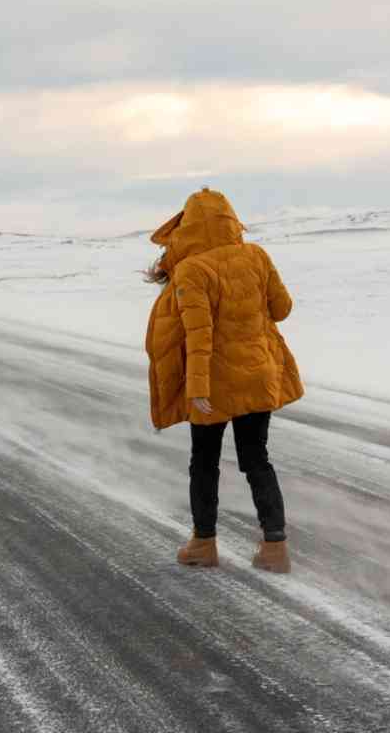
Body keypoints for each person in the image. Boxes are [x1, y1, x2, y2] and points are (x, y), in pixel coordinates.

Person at [144, 187, 304, 573]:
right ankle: (275, 548)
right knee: (257, 460)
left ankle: (203, 544)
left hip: (213, 387)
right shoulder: (257, 255)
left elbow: (199, 335)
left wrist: (196, 391)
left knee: (204, 463)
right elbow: (281, 309)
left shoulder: (192, 269)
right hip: (258, 375)